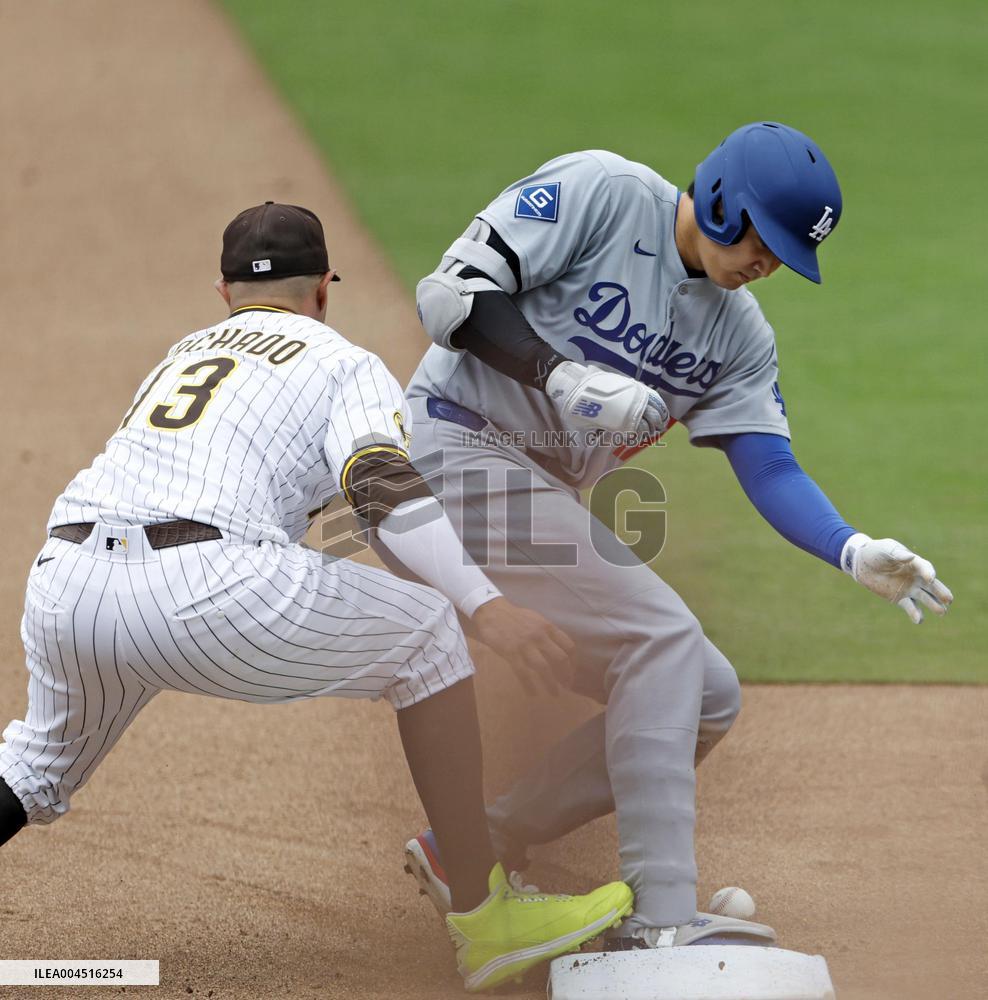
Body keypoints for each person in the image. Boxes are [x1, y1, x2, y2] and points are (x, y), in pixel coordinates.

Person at [0, 202, 634, 991]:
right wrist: (484, 603)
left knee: (34, 768)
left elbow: (332, 513)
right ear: (324, 290)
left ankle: (485, 903)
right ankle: (485, 913)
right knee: (431, 636)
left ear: (224, 291)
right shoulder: (340, 359)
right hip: (205, 588)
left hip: (67, 580)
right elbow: (377, 488)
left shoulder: (181, 354)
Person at [398, 122, 953, 949]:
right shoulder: (603, 192)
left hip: (541, 500)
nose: (769, 267)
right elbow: (448, 296)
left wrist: (850, 547)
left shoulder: (739, 333)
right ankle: (662, 920)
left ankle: (473, 847)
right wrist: (559, 373)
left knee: (706, 691)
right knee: (661, 634)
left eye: (787, 258)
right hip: (455, 450)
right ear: (726, 201)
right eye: (767, 242)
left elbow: (767, 465)